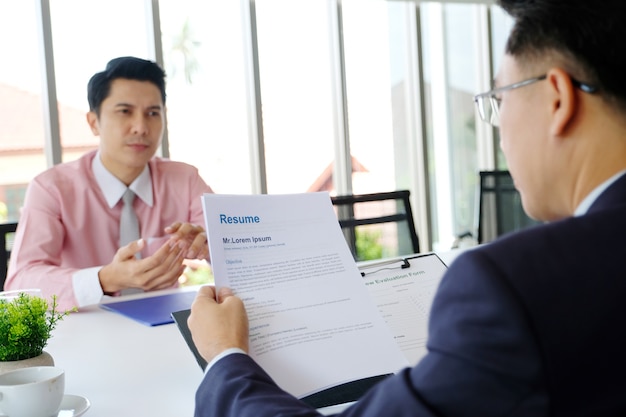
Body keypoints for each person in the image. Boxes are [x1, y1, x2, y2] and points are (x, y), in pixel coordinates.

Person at [187, 0, 626, 415]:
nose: (499, 131)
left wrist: (226, 357)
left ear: (557, 99)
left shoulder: (511, 289)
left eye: (500, 99)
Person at [6, 57, 214, 311]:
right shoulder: (51, 188)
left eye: (152, 113)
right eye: (125, 111)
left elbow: (238, 251)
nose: (141, 127)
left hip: (167, 326)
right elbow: (20, 282)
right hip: (84, 329)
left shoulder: (185, 179)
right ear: (94, 122)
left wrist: (209, 245)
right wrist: (105, 279)